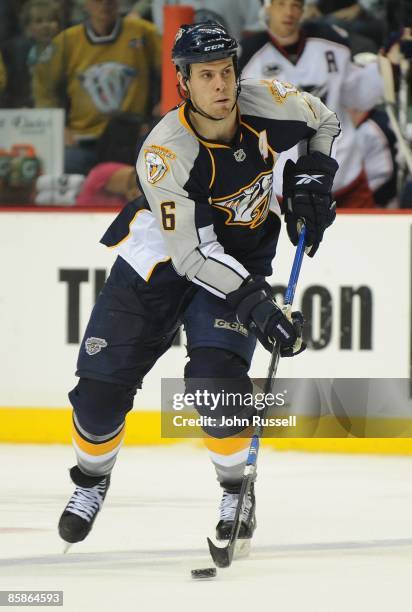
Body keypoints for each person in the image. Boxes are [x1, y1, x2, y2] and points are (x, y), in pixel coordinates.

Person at [57, 22, 340, 548]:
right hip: (160, 262)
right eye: (206, 75)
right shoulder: (165, 151)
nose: (221, 85)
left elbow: (323, 120)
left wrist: (312, 177)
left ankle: (236, 490)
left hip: (236, 261)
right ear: (184, 83)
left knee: (217, 388)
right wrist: (259, 306)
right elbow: (190, 255)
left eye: (227, 71)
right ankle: (91, 481)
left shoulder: (271, 102)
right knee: (97, 393)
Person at [240, 0, 384, 208]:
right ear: (267, 7)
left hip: (344, 176)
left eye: (296, 5)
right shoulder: (247, 58)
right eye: (281, 4)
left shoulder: (332, 42)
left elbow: (358, 95)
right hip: (282, 183)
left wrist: (388, 67)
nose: (289, 12)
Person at [32, 0, 161, 174]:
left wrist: (162, 112)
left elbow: (174, 69)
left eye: (110, 1)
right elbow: (43, 87)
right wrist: (58, 127)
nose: (105, 4)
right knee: (64, 165)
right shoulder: (66, 41)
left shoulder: (144, 33)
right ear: (85, 3)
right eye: (98, 0)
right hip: (83, 140)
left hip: (131, 138)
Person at [151, 0, 263, 42]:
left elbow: (255, 31)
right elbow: (166, 40)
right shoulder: (165, 2)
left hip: (233, 65)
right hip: (186, 70)